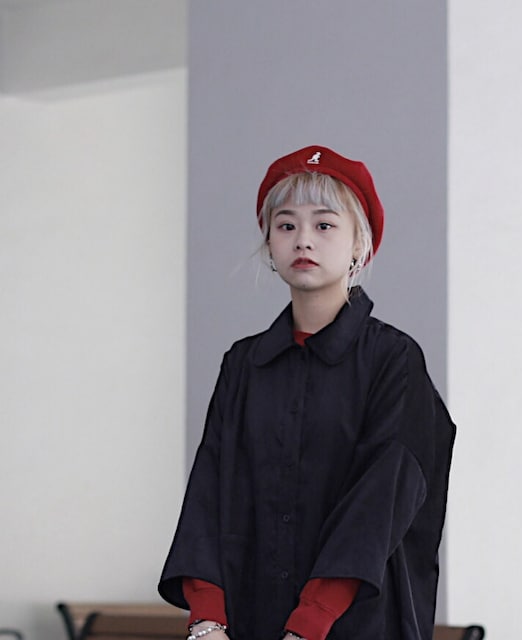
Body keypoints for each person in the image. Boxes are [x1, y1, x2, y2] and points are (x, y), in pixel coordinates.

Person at [158, 145, 456, 640]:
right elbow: (209, 491)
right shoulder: (244, 365)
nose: (303, 240)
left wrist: (312, 620)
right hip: (249, 622)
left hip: (357, 625)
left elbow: (383, 500)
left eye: (324, 224)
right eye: (286, 225)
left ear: (360, 243)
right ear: (269, 243)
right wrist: (207, 620)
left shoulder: (393, 359)